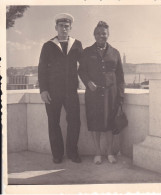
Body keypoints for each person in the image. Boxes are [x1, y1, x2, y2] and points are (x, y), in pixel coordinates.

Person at [38, 13, 83, 163]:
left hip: (71, 91)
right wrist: (43, 90)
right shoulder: (48, 45)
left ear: (70, 28)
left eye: (67, 26)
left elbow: (84, 67)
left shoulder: (77, 44)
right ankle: (57, 154)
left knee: (75, 121)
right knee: (53, 122)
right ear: (56, 27)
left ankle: (72, 152)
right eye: (61, 26)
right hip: (52, 91)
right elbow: (42, 69)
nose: (64, 29)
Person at [78, 21, 125, 164]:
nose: (101, 36)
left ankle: (110, 152)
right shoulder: (87, 52)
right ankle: (97, 153)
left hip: (111, 94)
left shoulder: (115, 52)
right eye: (98, 33)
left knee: (110, 124)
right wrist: (88, 82)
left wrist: (120, 96)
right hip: (93, 94)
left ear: (108, 35)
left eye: (104, 33)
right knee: (95, 123)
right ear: (94, 35)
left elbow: (121, 77)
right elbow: (81, 71)